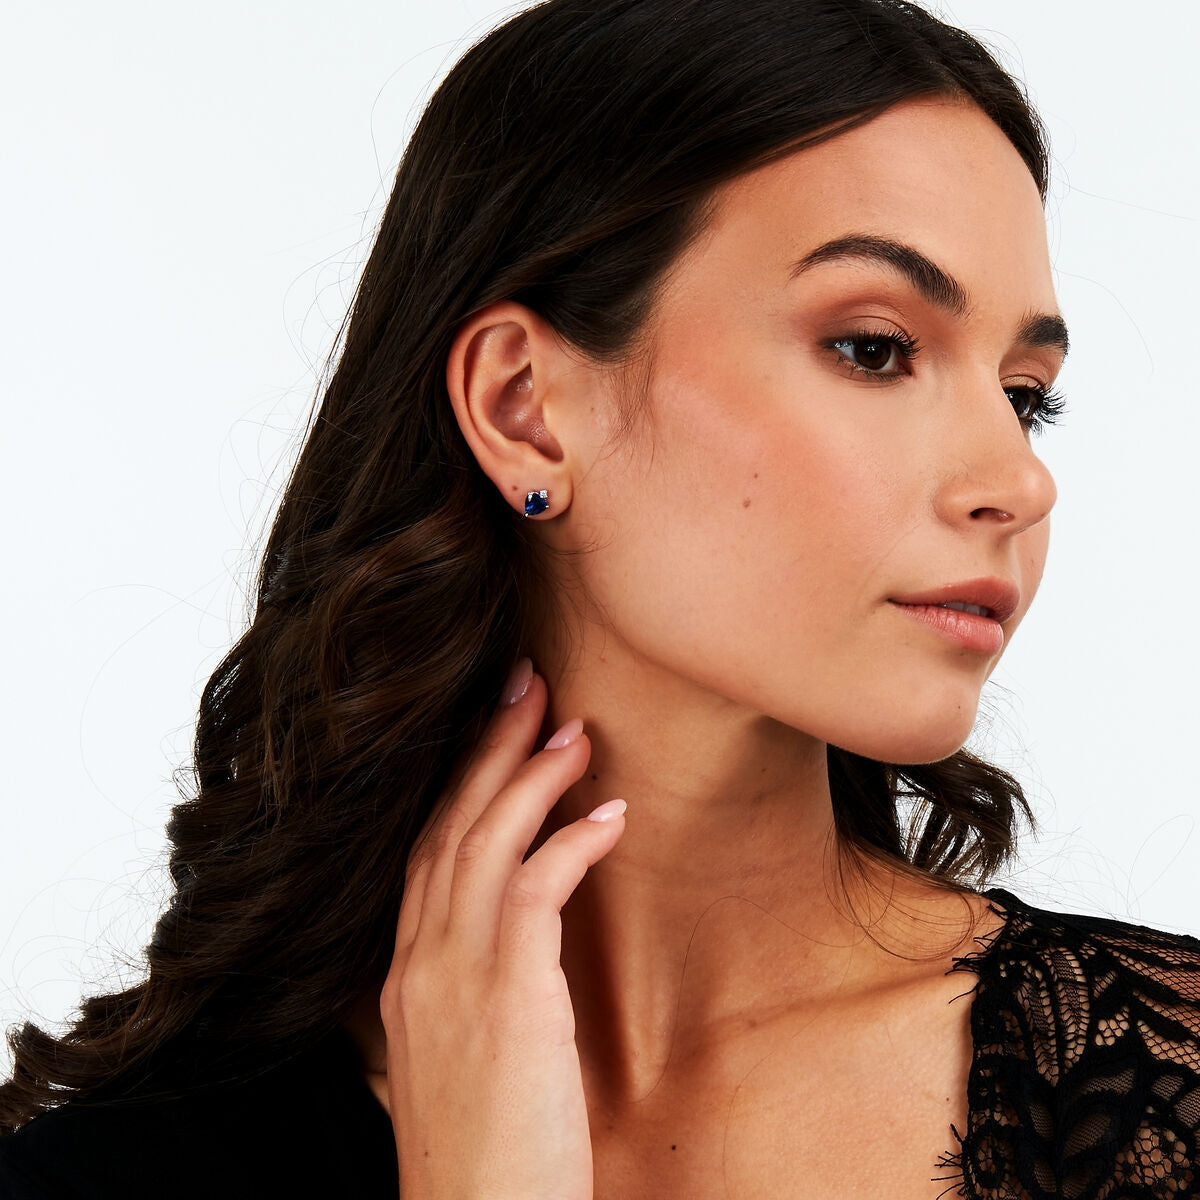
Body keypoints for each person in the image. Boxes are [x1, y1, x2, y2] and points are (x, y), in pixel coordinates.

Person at [2, 0, 1198, 1197]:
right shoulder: (114, 1179)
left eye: (1025, 395)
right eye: (875, 348)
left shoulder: (1160, 1091)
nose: (1019, 481)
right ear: (524, 408)